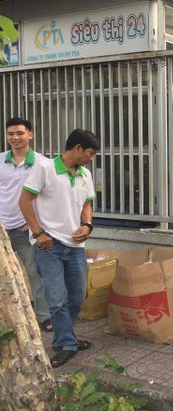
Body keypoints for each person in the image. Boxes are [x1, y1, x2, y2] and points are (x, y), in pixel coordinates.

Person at [19, 129, 98, 368]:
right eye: (90, 153)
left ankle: (65, 338)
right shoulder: (45, 168)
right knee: (56, 299)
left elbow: (87, 204)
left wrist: (87, 225)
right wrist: (38, 233)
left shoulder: (85, 174)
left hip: (76, 246)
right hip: (49, 246)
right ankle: (67, 344)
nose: (91, 158)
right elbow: (24, 201)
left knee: (77, 296)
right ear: (77, 148)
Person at [0, 118, 52, 332]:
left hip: (26, 230)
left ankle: (44, 316)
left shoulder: (43, 163)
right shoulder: (0, 160)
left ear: (30, 134)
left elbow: (49, 195)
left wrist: (35, 223)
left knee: (36, 273)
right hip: (1, 230)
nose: (15, 138)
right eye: (11, 133)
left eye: (20, 133)